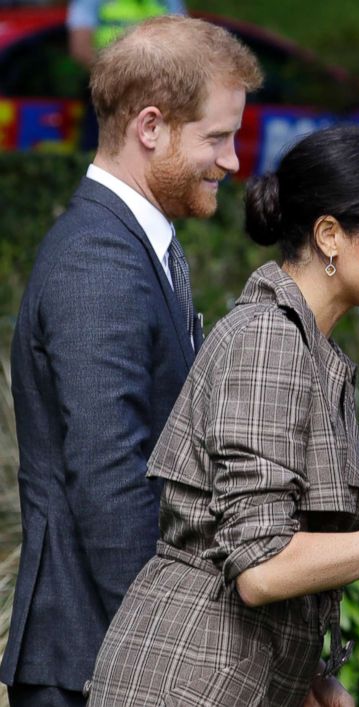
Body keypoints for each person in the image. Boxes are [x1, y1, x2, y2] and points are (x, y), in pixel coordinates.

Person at [85, 126, 359, 707]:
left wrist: (308, 680)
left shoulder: (308, 348)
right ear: (330, 235)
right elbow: (263, 568)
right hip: (188, 683)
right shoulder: (268, 339)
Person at [2, 16, 261, 706]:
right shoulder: (98, 258)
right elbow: (109, 473)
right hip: (97, 664)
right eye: (217, 136)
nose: (233, 160)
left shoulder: (134, 242)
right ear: (152, 127)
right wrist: (172, 648)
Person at [68, 0, 186, 70]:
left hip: (162, 86)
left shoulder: (169, 2)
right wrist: (112, 78)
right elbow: (81, 48)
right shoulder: (91, 2)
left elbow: (186, 42)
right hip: (108, 86)